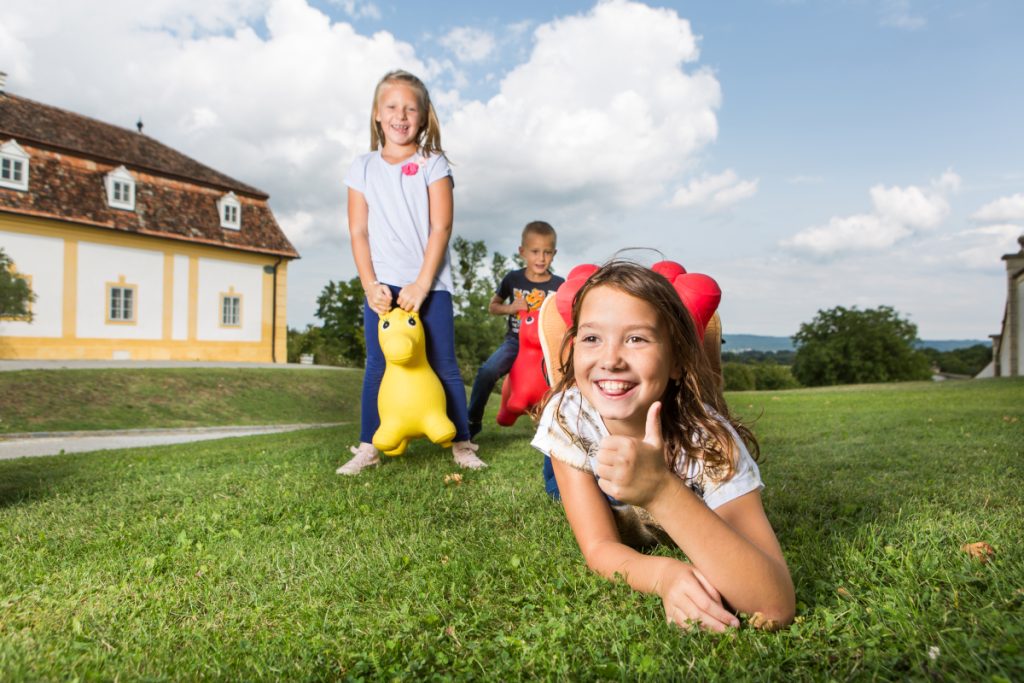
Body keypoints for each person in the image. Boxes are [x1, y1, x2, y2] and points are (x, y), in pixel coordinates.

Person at [531, 261, 794, 631]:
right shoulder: (568, 414)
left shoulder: (709, 444)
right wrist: (662, 574)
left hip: (670, 449)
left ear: (676, 362)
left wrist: (660, 491)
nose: (610, 359)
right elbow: (599, 547)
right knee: (557, 481)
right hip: (584, 462)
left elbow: (774, 605)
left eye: (636, 338)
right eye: (591, 338)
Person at [337, 69, 485, 475]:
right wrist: (370, 285)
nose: (401, 116)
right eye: (392, 107)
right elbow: (358, 231)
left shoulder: (432, 163)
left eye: (410, 108)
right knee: (377, 365)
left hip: (430, 284)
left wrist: (422, 283)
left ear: (423, 116)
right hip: (382, 285)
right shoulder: (362, 167)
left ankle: (462, 443)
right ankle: (369, 445)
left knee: (443, 361)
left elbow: (441, 227)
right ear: (377, 114)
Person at [467, 221, 564, 439]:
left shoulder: (559, 284)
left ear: (554, 253)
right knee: (487, 371)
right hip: (515, 342)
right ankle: (472, 421)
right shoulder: (513, 279)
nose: (541, 258)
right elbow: (493, 306)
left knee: (563, 380)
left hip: (547, 346)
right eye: (535, 252)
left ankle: (557, 427)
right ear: (522, 252)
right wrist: (511, 308)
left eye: (547, 252)